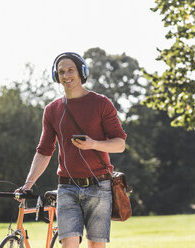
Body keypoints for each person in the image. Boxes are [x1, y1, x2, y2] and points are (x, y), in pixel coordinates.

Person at [16, 52, 127, 248]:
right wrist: (28, 184)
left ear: (82, 72)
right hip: (66, 187)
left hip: (99, 186)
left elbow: (120, 144)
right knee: (69, 245)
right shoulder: (52, 110)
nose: (66, 76)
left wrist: (93, 144)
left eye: (70, 70)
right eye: (61, 72)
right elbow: (44, 151)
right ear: (55, 76)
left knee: (96, 246)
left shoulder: (101, 103)